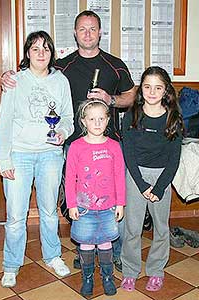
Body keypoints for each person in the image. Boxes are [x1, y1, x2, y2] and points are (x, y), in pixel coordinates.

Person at [1, 10, 136, 272]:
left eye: (93, 29)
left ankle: (115, 252)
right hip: (72, 148)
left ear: (100, 32)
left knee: (111, 196)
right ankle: (83, 248)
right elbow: (33, 74)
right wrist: (6, 77)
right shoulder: (61, 67)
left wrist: (111, 100)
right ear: (75, 33)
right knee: (77, 199)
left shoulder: (115, 64)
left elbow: (131, 96)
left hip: (108, 146)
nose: (87, 33)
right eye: (82, 29)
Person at [0, 31, 74, 288]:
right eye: (36, 48)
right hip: (19, 154)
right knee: (16, 215)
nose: (41, 53)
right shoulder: (15, 81)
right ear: (27, 52)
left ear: (52, 54)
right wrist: (3, 159)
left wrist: (62, 132)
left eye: (46, 49)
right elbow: (4, 121)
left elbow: (68, 119)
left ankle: (52, 256)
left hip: (50, 154)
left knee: (50, 211)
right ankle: (11, 264)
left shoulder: (61, 81)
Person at [120, 66, 184, 292]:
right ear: (141, 90)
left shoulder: (173, 117)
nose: (152, 92)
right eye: (147, 86)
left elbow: (174, 159)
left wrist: (158, 187)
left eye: (158, 87)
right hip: (136, 176)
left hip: (162, 179)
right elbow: (128, 154)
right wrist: (141, 184)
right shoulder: (131, 115)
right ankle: (130, 270)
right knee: (132, 228)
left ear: (166, 90)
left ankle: (156, 270)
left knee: (161, 227)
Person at [65, 99, 126, 296]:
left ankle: (107, 277)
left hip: (108, 208)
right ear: (84, 121)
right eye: (92, 119)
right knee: (87, 243)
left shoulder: (115, 146)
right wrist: (71, 204)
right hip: (84, 208)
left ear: (108, 120)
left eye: (101, 118)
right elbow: (69, 179)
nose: (97, 123)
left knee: (106, 242)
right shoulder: (75, 146)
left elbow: (119, 176)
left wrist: (120, 203)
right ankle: (88, 277)